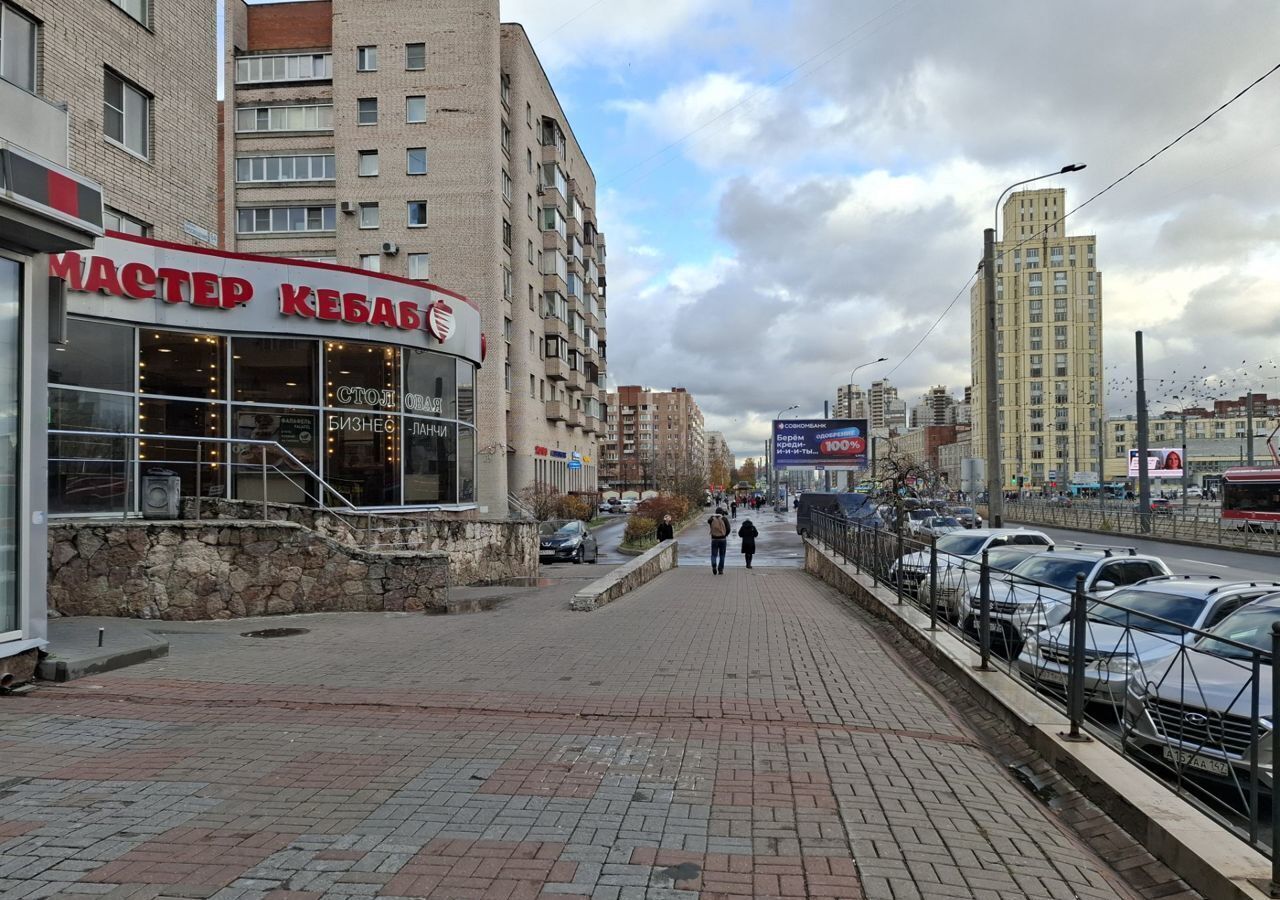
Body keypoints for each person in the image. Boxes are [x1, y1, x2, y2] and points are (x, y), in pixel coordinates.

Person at [708, 507, 731, 574]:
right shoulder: (724, 519)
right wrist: (725, 534)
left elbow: (708, 521)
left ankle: (714, 565)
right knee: (722, 555)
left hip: (714, 539)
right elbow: (728, 529)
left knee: (713, 554)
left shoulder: (712, 519)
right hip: (723, 539)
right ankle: (720, 570)